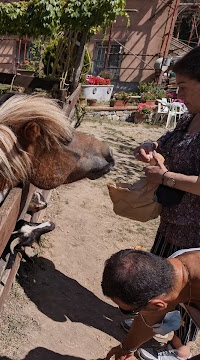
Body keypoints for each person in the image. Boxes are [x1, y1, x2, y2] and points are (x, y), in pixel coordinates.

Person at [130, 45, 200, 359]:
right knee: (161, 277)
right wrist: (151, 145)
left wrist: (166, 177)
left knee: (188, 289)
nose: (179, 94)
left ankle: (180, 349)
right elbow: (167, 140)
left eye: (184, 87)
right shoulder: (191, 118)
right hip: (173, 220)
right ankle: (151, 321)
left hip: (195, 231)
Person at [102, 248, 200, 360]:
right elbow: (151, 317)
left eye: (128, 311)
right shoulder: (173, 269)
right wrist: (126, 348)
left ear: (158, 305)